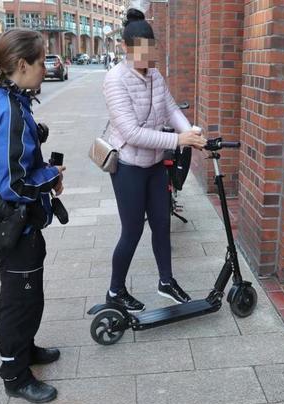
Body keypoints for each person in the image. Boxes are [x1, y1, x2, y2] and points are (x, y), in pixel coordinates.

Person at [0, 29, 64, 404]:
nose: (46, 68)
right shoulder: (6, 105)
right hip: (7, 216)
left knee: (27, 289)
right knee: (20, 298)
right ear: (22, 65)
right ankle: (14, 373)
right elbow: (14, 185)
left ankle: (25, 349)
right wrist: (51, 178)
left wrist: (34, 137)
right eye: (42, 62)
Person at [103, 8, 207, 312]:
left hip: (155, 165)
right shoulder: (115, 80)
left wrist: (192, 132)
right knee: (132, 230)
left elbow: (172, 109)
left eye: (151, 51)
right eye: (140, 52)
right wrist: (178, 140)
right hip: (128, 167)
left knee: (162, 223)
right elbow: (132, 133)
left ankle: (166, 282)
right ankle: (115, 290)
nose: (147, 58)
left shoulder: (155, 75)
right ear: (125, 48)